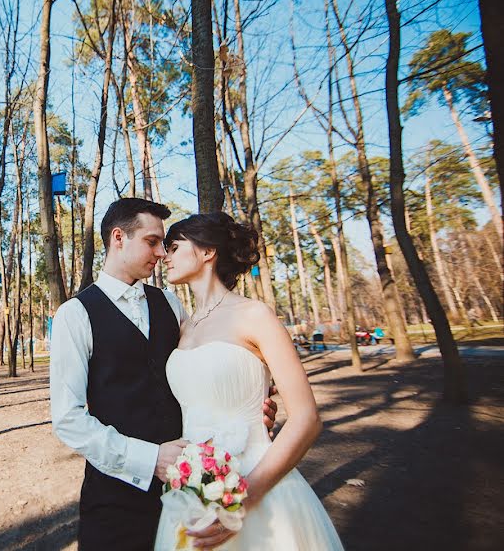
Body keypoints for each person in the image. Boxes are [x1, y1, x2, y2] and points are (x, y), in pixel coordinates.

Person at [50, 198, 278, 550]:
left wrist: (246, 407)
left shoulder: (170, 304)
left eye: (164, 244)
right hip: (115, 499)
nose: (160, 253)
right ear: (118, 238)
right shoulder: (75, 315)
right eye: (152, 241)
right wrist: (150, 458)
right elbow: (68, 419)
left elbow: (204, 369)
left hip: (191, 492)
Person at [154, 212, 343, 550]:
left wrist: (241, 498)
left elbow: (307, 419)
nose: (165, 256)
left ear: (208, 251)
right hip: (192, 490)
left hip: (255, 482)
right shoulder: (184, 326)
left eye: (174, 247)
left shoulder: (255, 315)